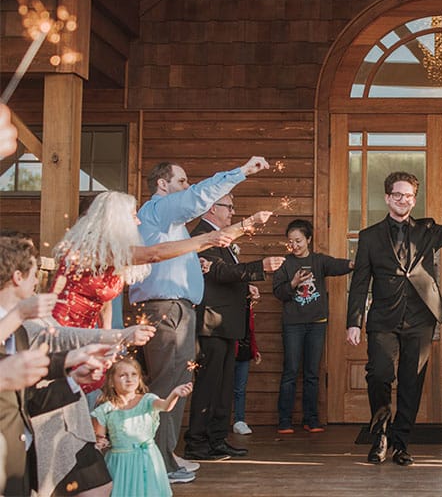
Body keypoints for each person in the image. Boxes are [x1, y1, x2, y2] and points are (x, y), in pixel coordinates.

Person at [128, 156, 270, 483]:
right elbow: (197, 198)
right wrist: (242, 172)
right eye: (181, 181)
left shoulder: (171, 224)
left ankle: (167, 452)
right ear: (163, 185)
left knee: (175, 383)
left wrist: (242, 226)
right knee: (169, 385)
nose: (187, 187)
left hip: (177, 309)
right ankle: (159, 462)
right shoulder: (160, 210)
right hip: (167, 309)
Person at [50, 190, 234, 394]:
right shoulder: (97, 249)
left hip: (89, 331)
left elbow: (105, 300)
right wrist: (206, 239)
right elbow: (153, 254)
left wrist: (108, 336)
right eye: (133, 216)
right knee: (70, 389)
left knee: (89, 384)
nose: (138, 222)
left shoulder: (110, 253)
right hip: (64, 329)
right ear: (116, 219)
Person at [347, 170, 442, 466]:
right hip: (383, 319)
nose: (404, 200)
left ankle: (401, 444)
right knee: (378, 374)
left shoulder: (428, 229)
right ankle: (379, 435)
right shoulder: (369, 236)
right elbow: (360, 283)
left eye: (409, 196)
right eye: (398, 195)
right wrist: (354, 321)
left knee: (411, 383)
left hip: (421, 318)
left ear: (414, 200)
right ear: (388, 197)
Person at [0, 236, 112, 497]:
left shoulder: (18, 333)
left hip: (19, 452)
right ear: (18, 277)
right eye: (33, 273)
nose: (36, 280)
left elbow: (26, 398)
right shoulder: (18, 322)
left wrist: (74, 377)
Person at [183, 194, 281, 460]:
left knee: (224, 386)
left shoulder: (222, 238)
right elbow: (217, 272)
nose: (233, 211)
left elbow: (225, 277)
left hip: (226, 323)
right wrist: (259, 267)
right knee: (209, 385)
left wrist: (244, 288)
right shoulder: (204, 235)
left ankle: (217, 439)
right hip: (211, 322)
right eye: (229, 206)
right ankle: (196, 443)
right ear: (214, 208)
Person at [272, 219, 352, 433]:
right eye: (291, 242)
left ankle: (311, 419)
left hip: (317, 323)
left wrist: (355, 263)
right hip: (293, 324)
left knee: (312, 373)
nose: (295, 245)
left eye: (298, 240)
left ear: (308, 239)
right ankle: (285, 420)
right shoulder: (285, 264)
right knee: (290, 371)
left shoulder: (319, 261)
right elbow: (279, 293)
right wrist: (294, 283)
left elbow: (338, 265)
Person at [91, 358, 192, 497]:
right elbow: (99, 437)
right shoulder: (105, 410)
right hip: (121, 464)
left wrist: (174, 394)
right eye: (123, 375)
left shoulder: (147, 400)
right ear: (111, 381)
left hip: (148, 459)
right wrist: (101, 442)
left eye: (134, 374)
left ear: (139, 379)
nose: (129, 379)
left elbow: (165, 406)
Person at [232, 295, 260, 436]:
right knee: (223, 389)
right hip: (231, 353)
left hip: (244, 353)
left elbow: (250, 332)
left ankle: (239, 420)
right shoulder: (230, 308)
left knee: (240, 390)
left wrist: (254, 350)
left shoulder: (248, 309)